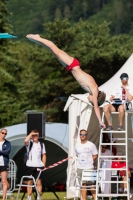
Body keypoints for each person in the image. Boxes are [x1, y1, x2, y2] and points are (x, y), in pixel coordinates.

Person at [26, 34, 106, 129]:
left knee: (53, 51)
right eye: (93, 102)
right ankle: (38, 37)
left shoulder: (93, 89)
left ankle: (38, 41)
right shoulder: (94, 91)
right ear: (96, 99)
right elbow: (96, 108)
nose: (90, 101)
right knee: (54, 49)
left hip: (71, 67)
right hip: (72, 65)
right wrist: (100, 121)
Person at [75, 129, 98, 200]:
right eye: (81, 134)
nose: (82, 136)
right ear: (79, 136)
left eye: (84, 134)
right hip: (80, 167)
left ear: (86, 135)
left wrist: (90, 160)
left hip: (89, 167)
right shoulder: (77, 145)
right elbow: (77, 155)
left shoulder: (91, 145)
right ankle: (84, 199)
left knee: (91, 184)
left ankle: (95, 198)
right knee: (83, 184)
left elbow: (95, 155)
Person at [24, 130, 46, 200]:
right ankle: (29, 197)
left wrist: (44, 165)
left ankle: (38, 197)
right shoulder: (29, 143)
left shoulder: (42, 144)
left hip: (39, 165)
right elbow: (25, 141)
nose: (35, 136)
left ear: (38, 136)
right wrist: (31, 134)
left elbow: (44, 155)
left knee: (39, 182)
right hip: (30, 165)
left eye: (36, 135)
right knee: (30, 181)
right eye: (34, 135)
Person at [0, 129, 11, 200]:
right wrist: (2, 151)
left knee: (4, 181)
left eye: (5, 133)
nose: (4, 134)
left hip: (4, 163)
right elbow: (4, 152)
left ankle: (4, 198)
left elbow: (7, 152)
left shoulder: (7, 143)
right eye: (3, 133)